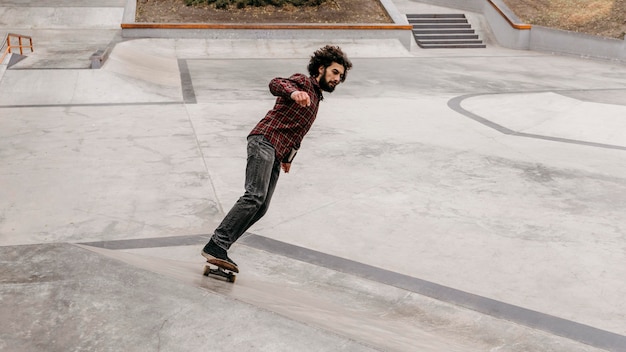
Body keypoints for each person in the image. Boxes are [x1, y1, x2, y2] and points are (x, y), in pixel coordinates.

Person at [201, 45, 353, 272]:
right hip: (264, 140)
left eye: (340, 76)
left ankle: (220, 247)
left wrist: (289, 158)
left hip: (276, 151)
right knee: (255, 195)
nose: (337, 79)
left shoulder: (317, 98)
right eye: (334, 73)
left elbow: (298, 132)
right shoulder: (303, 82)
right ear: (321, 69)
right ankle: (216, 244)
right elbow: (276, 83)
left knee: (261, 206)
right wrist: (293, 92)